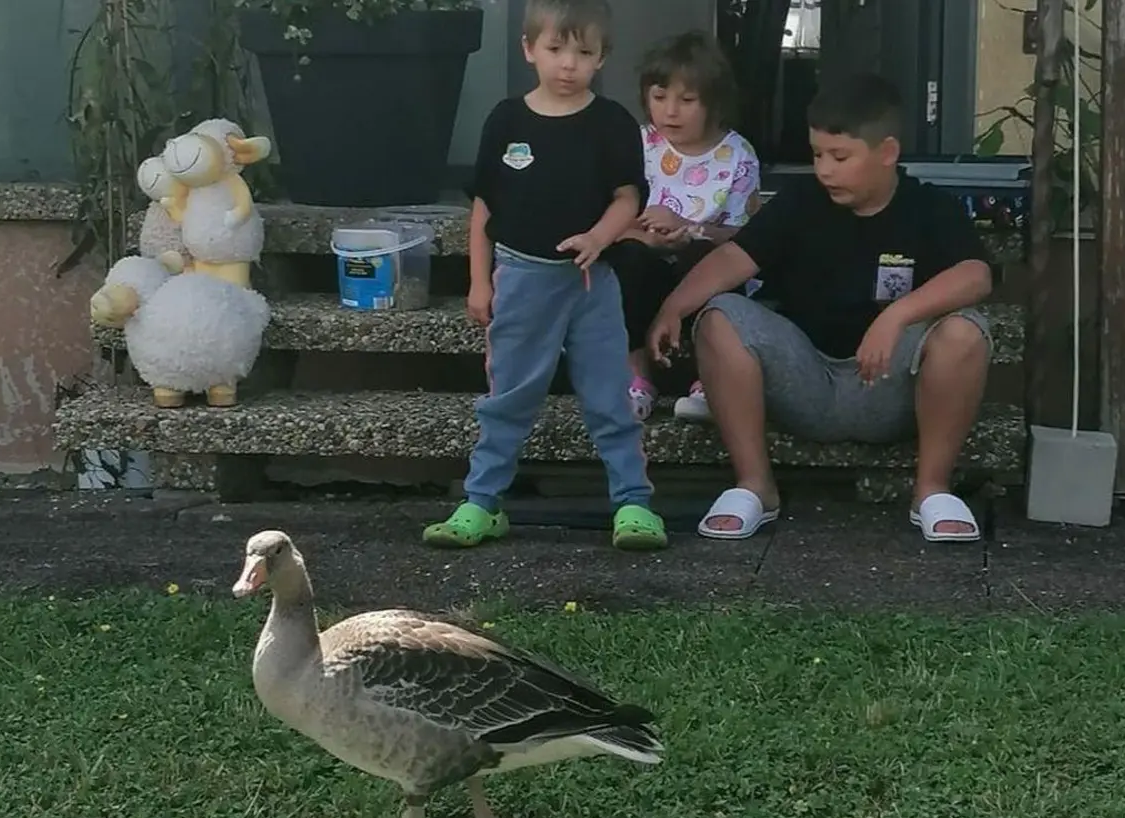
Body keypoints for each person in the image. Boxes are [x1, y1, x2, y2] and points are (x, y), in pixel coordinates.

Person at [645, 72, 994, 543]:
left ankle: (932, 490)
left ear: (887, 153)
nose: (825, 170)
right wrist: (673, 306)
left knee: (964, 332)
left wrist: (896, 316)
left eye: (840, 156)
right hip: (805, 383)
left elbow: (977, 275)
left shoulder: (929, 208)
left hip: (891, 391)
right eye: (817, 155)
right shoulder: (801, 202)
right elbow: (732, 258)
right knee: (720, 316)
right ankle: (754, 487)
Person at [423, 0, 667, 552]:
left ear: (601, 58)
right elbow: (484, 210)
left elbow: (628, 197)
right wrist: (480, 282)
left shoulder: (612, 123)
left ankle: (633, 503)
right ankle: (482, 502)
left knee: (611, 395)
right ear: (529, 49)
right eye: (556, 49)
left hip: (590, 284)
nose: (568, 64)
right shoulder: (507, 120)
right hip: (521, 280)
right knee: (508, 396)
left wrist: (600, 238)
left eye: (584, 52)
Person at [608, 30, 762, 424]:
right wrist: (644, 237)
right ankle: (636, 375)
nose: (670, 112)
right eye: (659, 98)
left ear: (714, 103)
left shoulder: (738, 156)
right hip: (644, 259)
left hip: (702, 259)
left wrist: (691, 228)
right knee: (627, 261)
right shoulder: (637, 144)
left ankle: (706, 381)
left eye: (687, 100)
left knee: (711, 263)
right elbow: (609, 217)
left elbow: (748, 238)